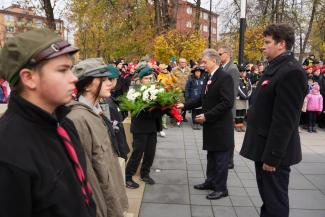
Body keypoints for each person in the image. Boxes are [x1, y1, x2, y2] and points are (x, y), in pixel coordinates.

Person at [0, 29, 96, 217]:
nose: (74, 78)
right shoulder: (7, 150)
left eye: (71, 68)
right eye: (62, 70)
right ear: (29, 78)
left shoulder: (64, 124)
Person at [240, 24, 307, 217]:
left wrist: (273, 157)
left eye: (267, 42)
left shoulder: (291, 72)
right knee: (269, 200)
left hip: (272, 153)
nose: (263, 46)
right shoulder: (278, 67)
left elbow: (285, 121)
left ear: (281, 44)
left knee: (275, 203)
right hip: (264, 147)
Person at [67, 59, 129, 217]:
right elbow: (87, 173)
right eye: (102, 79)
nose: (109, 83)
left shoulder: (96, 110)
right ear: (87, 85)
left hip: (110, 191)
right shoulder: (78, 118)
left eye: (109, 79)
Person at [178, 49, 234, 200]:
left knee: (221, 159)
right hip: (211, 125)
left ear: (214, 61)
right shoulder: (209, 76)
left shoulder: (224, 77)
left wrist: (207, 115)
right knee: (211, 156)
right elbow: (201, 98)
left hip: (220, 126)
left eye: (205, 62)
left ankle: (222, 189)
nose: (203, 65)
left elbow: (227, 102)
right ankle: (211, 182)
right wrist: (184, 105)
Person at [125, 67, 163, 189]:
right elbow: (134, 109)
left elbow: (160, 107)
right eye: (146, 78)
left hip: (152, 126)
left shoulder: (156, 90)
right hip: (140, 127)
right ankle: (128, 177)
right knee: (137, 152)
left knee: (150, 152)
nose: (149, 80)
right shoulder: (134, 91)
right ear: (140, 79)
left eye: (151, 78)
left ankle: (144, 174)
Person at [217, 45, 239, 169]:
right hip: (222, 107)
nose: (218, 56)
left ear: (227, 54)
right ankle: (224, 158)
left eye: (220, 54)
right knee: (223, 135)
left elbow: (233, 91)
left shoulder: (233, 69)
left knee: (229, 136)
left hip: (228, 109)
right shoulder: (222, 67)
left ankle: (230, 161)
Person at [171, 58, 191, 122]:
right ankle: (174, 117)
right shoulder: (174, 70)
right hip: (177, 90)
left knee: (185, 103)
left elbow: (191, 79)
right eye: (181, 62)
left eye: (184, 62)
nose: (183, 63)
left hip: (186, 89)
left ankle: (183, 117)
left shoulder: (189, 70)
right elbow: (171, 79)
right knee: (176, 104)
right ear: (178, 63)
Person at [235, 64, 252, 132]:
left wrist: (248, 95)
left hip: (245, 99)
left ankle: (241, 125)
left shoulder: (247, 79)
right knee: (238, 113)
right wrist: (244, 96)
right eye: (241, 71)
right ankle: (237, 126)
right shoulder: (237, 79)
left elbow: (250, 88)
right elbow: (238, 89)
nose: (243, 73)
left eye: (244, 71)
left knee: (243, 113)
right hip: (239, 99)